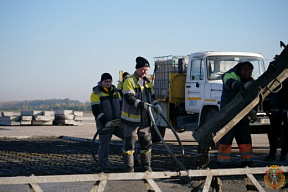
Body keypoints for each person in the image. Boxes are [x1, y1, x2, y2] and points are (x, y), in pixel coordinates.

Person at [121, 56, 162, 172]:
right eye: (143, 69)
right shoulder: (129, 81)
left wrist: (156, 104)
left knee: (147, 144)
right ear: (137, 69)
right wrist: (142, 104)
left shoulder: (148, 82)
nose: (145, 72)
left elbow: (152, 97)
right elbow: (129, 98)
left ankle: (147, 168)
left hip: (145, 120)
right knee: (129, 146)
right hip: (131, 121)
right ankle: (129, 170)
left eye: (147, 70)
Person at [217, 62, 254, 168]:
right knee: (226, 139)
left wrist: (252, 110)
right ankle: (222, 164)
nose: (250, 75)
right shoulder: (230, 74)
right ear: (243, 71)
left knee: (245, 139)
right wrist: (243, 86)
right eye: (248, 72)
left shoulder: (248, 79)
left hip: (242, 114)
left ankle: (247, 163)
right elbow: (231, 84)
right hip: (229, 114)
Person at [90, 73, 124, 169]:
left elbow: (122, 106)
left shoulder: (116, 92)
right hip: (105, 125)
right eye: (106, 81)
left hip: (118, 124)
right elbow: (96, 110)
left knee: (129, 138)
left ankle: (132, 160)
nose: (108, 83)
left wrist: (123, 119)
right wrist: (106, 122)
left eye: (109, 81)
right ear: (102, 82)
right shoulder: (96, 94)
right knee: (104, 146)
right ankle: (103, 164)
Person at [263, 79, 288, 161]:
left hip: (282, 109)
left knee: (284, 134)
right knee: (273, 132)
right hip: (276, 109)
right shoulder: (275, 78)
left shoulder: (276, 78)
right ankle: (273, 153)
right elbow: (267, 93)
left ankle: (283, 154)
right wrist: (266, 108)